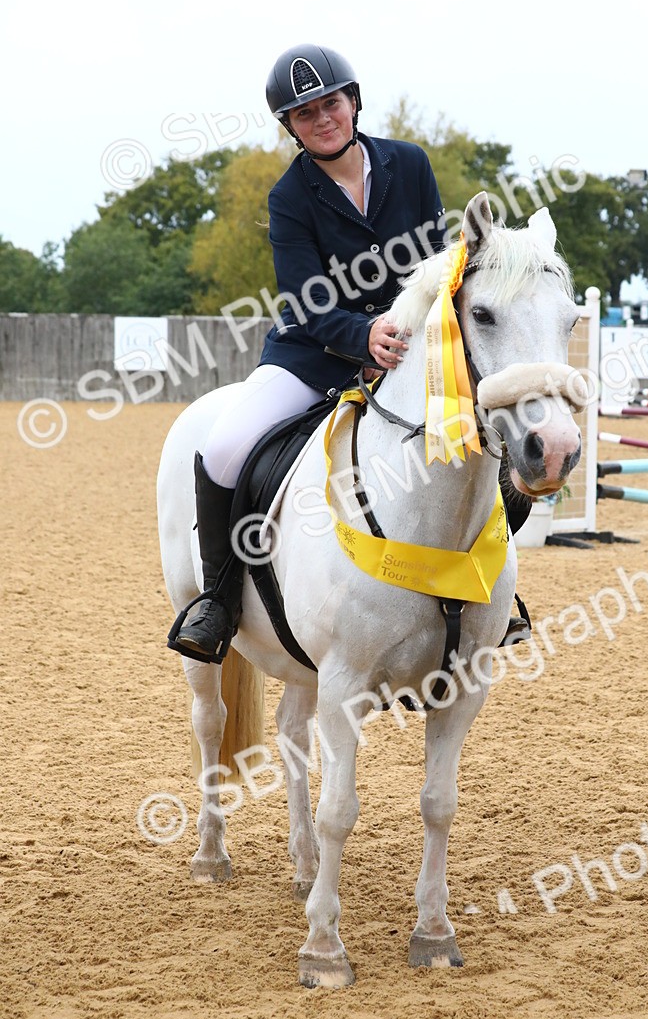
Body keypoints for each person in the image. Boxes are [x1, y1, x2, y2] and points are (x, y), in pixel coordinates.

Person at [169, 43, 529, 664]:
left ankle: (495, 593)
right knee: (224, 448)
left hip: (412, 352)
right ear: (291, 127)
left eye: (330, 103)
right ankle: (220, 598)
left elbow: (437, 263)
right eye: (304, 114)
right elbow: (304, 299)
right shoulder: (290, 197)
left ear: (354, 102)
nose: (321, 118)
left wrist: (410, 334)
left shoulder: (409, 166)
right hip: (313, 355)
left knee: (489, 437)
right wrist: (359, 336)